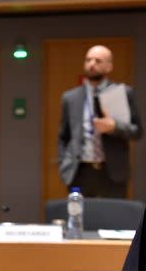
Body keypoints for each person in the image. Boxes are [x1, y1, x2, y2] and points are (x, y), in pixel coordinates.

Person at [58, 45, 142, 197]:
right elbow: (63, 137)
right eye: (88, 60)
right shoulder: (70, 98)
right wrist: (64, 164)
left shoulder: (123, 93)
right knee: (80, 218)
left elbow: (137, 131)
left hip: (112, 172)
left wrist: (114, 127)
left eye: (98, 61)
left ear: (109, 66)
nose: (92, 64)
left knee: (113, 218)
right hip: (79, 172)